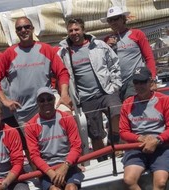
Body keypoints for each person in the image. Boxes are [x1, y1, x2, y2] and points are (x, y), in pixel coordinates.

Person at [57, 18, 122, 159]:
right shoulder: (63, 53)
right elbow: (59, 74)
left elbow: (114, 64)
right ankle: (102, 158)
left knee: (117, 113)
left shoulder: (99, 45)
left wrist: (116, 84)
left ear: (83, 30)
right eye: (71, 30)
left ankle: (114, 144)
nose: (74, 33)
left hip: (106, 91)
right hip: (86, 97)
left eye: (77, 29)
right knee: (95, 133)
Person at [0, 16, 71, 124]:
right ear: (16, 32)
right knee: (33, 141)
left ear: (32, 29)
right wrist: (5, 101)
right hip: (24, 112)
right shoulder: (9, 53)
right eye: (19, 28)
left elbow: (62, 72)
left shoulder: (46, 49)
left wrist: (64, 94)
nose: (23, 30)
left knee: (65, 124)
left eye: (26, 27)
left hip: (47, 105)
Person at [119, 67, 169, 190]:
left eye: (143, 82)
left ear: (151, 82)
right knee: (129, 180)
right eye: (136, 82)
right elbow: (123, 132)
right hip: (136, 147)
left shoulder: (164, 100)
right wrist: (140, 138)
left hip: (161, 146)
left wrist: (157, 140)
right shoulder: (127, 103)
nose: (139, 86)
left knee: (161, 183)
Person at [25, 87, 84, 190]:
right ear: (37, 103)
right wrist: (51, 173)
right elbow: (34, 155)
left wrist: (65, 166)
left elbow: (76, 146)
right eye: (42, 100)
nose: (46, 102)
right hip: (46, 170)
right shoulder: (30, 125)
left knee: (71, 188)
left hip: (68, 166)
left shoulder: (67, 118)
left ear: (54, 99)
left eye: (49, 99)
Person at [100, 6, 157, 101]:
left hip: (134, 79)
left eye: (116, 18)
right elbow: (102, 64)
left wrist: (152, 79)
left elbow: (149, 57)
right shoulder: (106, 41)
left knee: (130, 104)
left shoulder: (137, 34)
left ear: (123, 19)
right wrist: (106, 47)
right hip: (116, 82)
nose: (113, 22)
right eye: (110, 20)